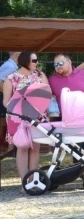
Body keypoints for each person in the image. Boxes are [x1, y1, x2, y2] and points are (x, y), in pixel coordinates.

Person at [49, 54, 84, 187]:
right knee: (77, 147)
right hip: (70, 119)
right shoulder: (52, 80)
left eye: (60, 63)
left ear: (69, 62)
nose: (58, 67)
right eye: (55, 65)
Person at [3, 51, 48, 190]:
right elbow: (6, 101)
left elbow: (47, 95)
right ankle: (24, 183)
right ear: (25, 61)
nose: (37, 63)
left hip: (37, 116)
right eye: (34, 60)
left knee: (35, 148)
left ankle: (33, 181)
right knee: (22, 148)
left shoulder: (40, 76)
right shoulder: (10, 78)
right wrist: (20, 108)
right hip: (18, 118)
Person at [0, 52, 20, 151]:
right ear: (17, 54)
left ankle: (10, 149)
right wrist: (8, 94)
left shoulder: (10, 65)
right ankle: (9, 149)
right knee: (6, 122)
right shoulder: (11, 67)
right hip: (3, 98)